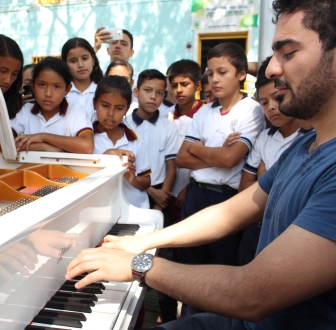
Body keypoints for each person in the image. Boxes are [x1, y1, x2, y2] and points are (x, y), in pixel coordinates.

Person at [66, 1, 336, 329]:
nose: (271, 70)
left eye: (288, 53)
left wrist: (138, 264)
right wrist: (145, 241)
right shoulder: (304, 147)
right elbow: (228, 213)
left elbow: (252, 294)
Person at [175, 43, 265, 285]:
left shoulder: (252, 111)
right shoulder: (203, 112)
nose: (214, 79)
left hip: (226, 200)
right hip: (195, 196)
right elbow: (182, 159)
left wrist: (197, 148)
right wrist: (215, 155)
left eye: (222, 72)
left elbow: (230, 159)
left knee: (220, 275)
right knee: (189, 271)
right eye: (211, 73)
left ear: (242, 74)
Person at [235, 56, 311, 266]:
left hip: (292, 233)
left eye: (277, 98)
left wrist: (265, 177)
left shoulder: (311, 139)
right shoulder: (264, 138)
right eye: (264, 102)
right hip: (257, 227)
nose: (271, 107)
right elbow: (244, 187)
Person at [124, 69, 178, 322]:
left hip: (160, 200)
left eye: (159, 93)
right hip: (130, 195)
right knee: (132, 254)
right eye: (147, 90)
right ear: (136, 91)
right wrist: (152, 193)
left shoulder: (168, 126)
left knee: (163, 259)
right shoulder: (122, 123)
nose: (153, 97)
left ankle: (167, 318)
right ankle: (130, 313)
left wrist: (163, 194)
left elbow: (171, 165)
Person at [3, 57, 94, 154]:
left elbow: (87, 146)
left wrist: (43, 137)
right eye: (42, 85)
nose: (48, 94)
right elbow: (2, 144)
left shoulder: (76, 112)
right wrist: (44, 146)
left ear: (67, 89)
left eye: (56, 87)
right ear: (32, 85)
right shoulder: (25, 110)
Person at [93, 75, 151, 209]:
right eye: (105, 105)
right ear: (94, 103)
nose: (111, 113)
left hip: (134, 210)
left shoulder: (134, 139)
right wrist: (105, 157)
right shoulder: (87, 137)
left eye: (119, 108)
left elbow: (146, 181)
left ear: (126, 109)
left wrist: (133, 178)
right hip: (99, 211)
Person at [165, 59, 203, 231]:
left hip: (193, 191)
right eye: (174, 85)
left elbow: (208, 158)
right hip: (167, 192)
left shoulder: (206, 115)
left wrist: (188, 189)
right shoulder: (166, 116)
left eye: (184, 84)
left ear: (198, 85)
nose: (178, 90)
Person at [61, 38, 103, 122]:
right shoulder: (61, 93)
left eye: (85, 58)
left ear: (93, 59)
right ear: (65, 64)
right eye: (73, 61)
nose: (80, 65)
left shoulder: (104, 89)